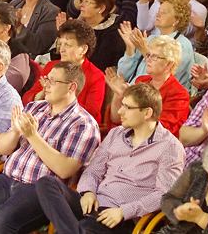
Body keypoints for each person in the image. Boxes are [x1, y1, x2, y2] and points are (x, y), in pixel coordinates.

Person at [0, 61, 101, 234]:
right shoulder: (34, 108)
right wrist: (15, 132)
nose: (46, 85)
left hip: (39, 191)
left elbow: (64, 170)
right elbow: (2, 148)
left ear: (71, 87)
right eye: (46, 79)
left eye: (53, 81)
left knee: (2, 222)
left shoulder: (83, 125)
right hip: (7, 178)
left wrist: (33, 136)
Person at [37, 82, 185, 234]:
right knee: (47, 183)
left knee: (83, 228)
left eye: (127, 107)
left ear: (147, 112)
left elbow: (164, 194)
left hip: (120, 218)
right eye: (122, 105)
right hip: (94, 204)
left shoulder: (170, 147)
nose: (120, 111)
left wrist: (123, 212)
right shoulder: (116, 134)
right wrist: (87, 192)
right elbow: (93, 170)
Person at [109, 35, 191, 136]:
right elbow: (116, 119)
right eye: (148, 55)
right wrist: (118, 96)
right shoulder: (141, 81)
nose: (148, 60)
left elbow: (160, 131)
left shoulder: (179, 94)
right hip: (127, 136)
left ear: (169, 64)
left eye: (154, 57)